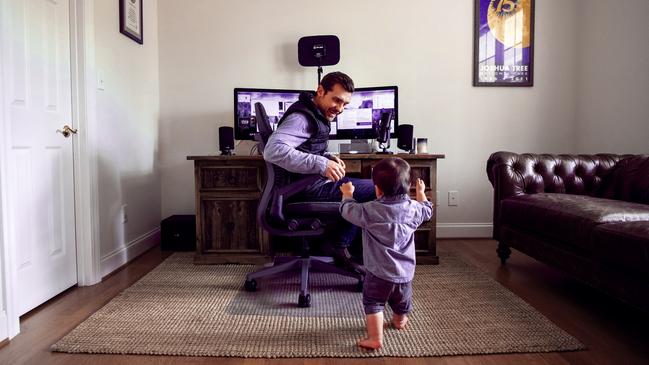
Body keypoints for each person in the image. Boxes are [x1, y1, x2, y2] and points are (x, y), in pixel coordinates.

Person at [263, 72, 376, 273]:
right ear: (320, 91)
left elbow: (306, 146)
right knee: (375, 190)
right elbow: (273, 150)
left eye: (344, 105)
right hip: (304, 189)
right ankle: (343, 248)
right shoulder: (301, 118)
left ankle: (340, 246)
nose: (340, 109)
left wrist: (328, 157)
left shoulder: (314, 112)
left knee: (364, 186)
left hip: (306, 185)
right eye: (336, 100)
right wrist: (320, 164)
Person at [339, 157, 433, 350]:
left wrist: (347, 195)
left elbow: (348, 211)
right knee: (401, 303)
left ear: (378, 189)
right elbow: (426, 210)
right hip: (405, 275)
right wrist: (421, 194)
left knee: (373, 303)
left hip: (377, 274)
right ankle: (399, 321)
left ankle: (375, 338)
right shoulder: (413, 210)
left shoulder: (370, 210)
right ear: (408, 188)